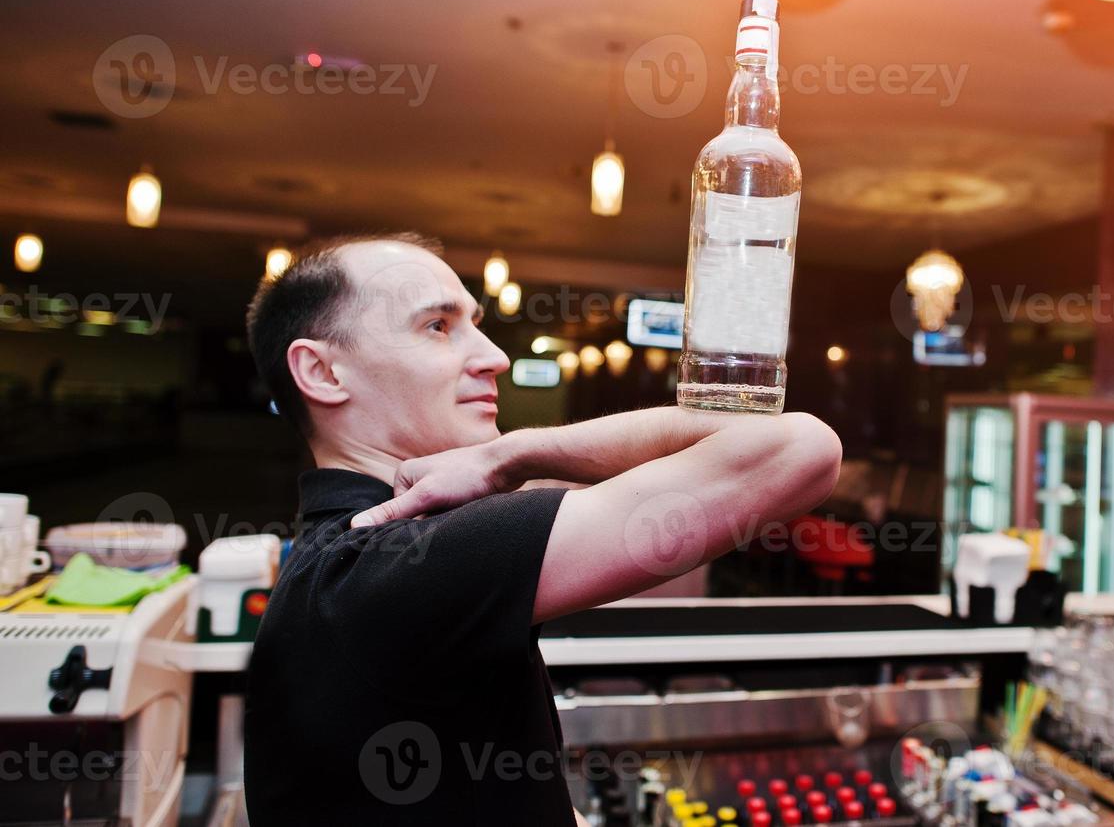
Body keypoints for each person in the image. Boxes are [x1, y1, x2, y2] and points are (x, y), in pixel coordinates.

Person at [241, 232, 842, 826]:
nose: (493, 356)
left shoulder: (350, 558)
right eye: (437, 326)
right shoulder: (395, 563)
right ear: (320, 372)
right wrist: (512, 454)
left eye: (474, 323)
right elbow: (798, 451)